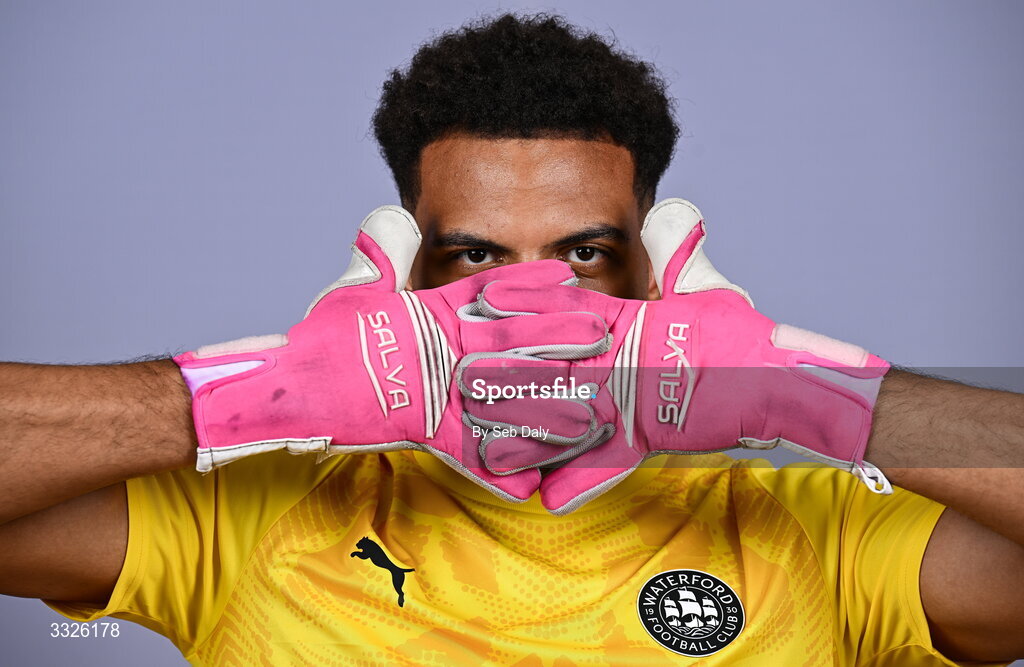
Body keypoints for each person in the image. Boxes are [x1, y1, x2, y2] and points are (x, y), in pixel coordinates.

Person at [2, 13, 1023, 666]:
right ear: (407, 276)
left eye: (582, 253)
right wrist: (255, 393)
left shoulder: (814, 534)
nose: (531, 304)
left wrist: (814, 394)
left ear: (650, 269)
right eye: (477, 259)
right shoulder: (255, 519)